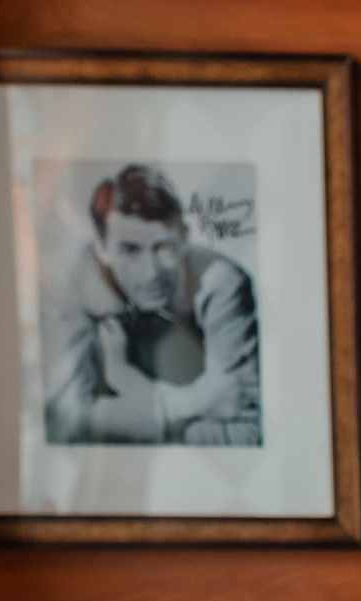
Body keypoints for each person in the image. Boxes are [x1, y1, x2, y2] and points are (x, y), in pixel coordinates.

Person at [42, 164, 260, 446]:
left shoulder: (222, 283)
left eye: (164, 248)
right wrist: (187, 405)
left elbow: (248, 431)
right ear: (103, 249)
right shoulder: (68, 285)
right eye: (130, 250)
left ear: (184, 238)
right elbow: (67, 420)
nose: (150, 273)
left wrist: (125, 381)